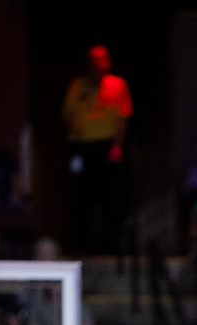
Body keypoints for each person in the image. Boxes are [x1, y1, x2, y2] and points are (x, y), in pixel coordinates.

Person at [61, 45, 132, 254]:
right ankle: (81, 244)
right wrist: (75, 129)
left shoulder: (118, 84)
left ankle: (110, 245)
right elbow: (66, 115)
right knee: (81, 197)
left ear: (108, 61)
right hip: (81, 148)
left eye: (101, 59)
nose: (97, 63)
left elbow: (123, 117)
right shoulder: (77, 85)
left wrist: (117, 146)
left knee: (110, 197)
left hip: (106, 147)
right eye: (93, 59)